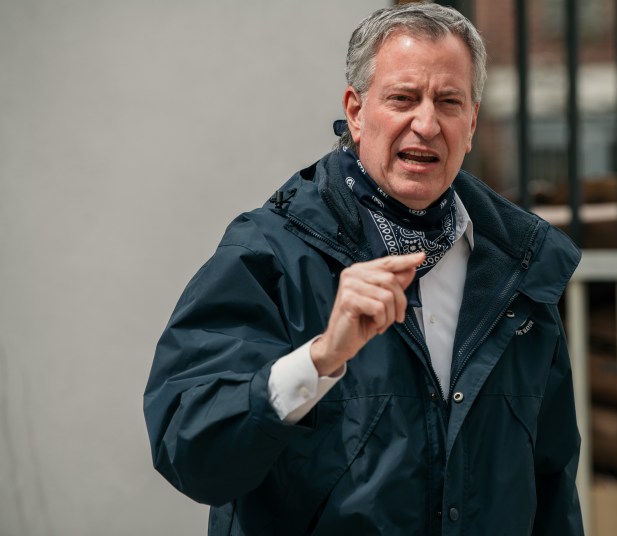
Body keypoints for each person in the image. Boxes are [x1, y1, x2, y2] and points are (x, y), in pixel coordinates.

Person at [144, 3, 584, 535]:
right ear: (356, 111)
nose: (426, 123)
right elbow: (192, 453)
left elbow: (551, 485)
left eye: (449, 102)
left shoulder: (519, 268)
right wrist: (322, 358)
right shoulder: (269, 253)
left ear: (471, 123)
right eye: (402, 98)